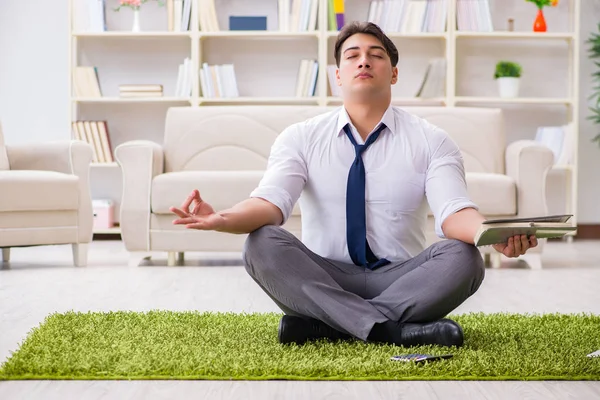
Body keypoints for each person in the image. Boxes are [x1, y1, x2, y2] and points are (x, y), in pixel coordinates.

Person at [170, 21, 538, 348]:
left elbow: (453, 212)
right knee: (261, 242)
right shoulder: (300, 137)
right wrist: (221, 217)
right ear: (338, 76)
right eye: (353, 56)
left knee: (463, 257)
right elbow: (270, 204)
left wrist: (492, 232)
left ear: (393, 74)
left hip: (402, 280)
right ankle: (393, 331)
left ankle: (327, 327)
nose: (364, 61)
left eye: (376, 55)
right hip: (322, 278)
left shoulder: (432, 140)